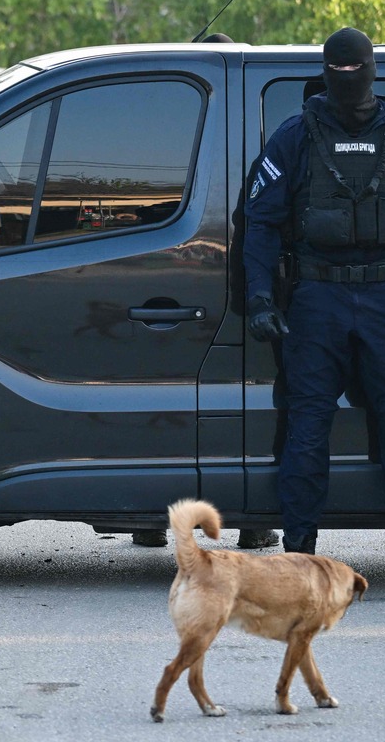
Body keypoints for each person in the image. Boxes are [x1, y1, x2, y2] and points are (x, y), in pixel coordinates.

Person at [243, 27, 385, 605]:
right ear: (327, 70)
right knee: (307, 433)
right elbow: (259, 223)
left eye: (354, 68)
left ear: (372, 70)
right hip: (316, 300)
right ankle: (298, 564)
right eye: (337, 70)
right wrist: (261, 299)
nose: (348, 79)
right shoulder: (295, 137)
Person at [129, 32, 281, 553]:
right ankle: (251, 518)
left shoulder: (172, 136)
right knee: (233, 399)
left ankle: (156, 515)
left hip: (206, 279)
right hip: (239, 280)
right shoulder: (252, 128)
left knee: (168, 400)